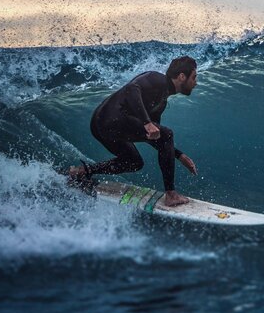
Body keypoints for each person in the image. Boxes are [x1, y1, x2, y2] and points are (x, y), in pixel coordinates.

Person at [68, 56, 199, 206]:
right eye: (194, 77)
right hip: (108, 119)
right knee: (167, 134)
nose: (196, 83)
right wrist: (147, 122)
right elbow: (131, 89)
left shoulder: (161, 103)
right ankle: (171, 194)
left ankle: (82, 172)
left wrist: (179, 155)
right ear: (182, 76)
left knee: (134, 162)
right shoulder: (157, 79)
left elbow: (155, 137)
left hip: (105, 127)